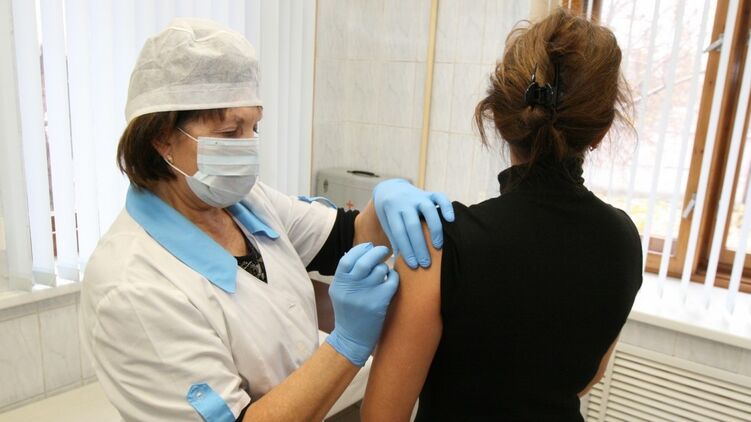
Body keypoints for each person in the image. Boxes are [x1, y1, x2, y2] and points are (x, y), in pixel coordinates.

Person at [78, 18, 454, 421]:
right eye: (230, 132)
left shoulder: (243, 203)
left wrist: (382, 204)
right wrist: (346, 343)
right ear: (161, 137)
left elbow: (346, 237)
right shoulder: (132, 289)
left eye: (254, 126)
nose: (249, 146)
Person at [361, 9, 642, 421]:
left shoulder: (438, 245)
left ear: (498, 115)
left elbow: (381, 416)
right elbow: (586, 377)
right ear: (600, 133)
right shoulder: (624, 240)